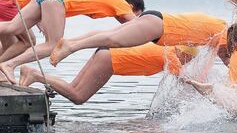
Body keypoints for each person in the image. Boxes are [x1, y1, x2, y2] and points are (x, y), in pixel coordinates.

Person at [0, 0, 145, 83]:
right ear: (131, 7)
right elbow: (137, 26)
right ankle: (9, 64)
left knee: (13, 27)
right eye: (134, 14)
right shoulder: (121, 4)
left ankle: (8, 64)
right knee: (52, 45)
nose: (123, 22)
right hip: (55, 0)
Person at [19, 43, 198, 104]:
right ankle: (35, 74)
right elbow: (186, 81)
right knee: (78, 96)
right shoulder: (172, 56)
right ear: (184, 53)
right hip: (110, 59)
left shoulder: (166, 50)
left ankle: (32, 74)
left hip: (106, 53)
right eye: (189, 59)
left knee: (72, 89)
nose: (188, 62)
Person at [48, 11, 229, 68]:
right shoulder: (224, 34)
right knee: (114, 39)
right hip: (158, 27)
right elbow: (222, 56)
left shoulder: (219, 25)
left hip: (156, 19)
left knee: (112, 33)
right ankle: (72, 47)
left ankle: (71, 41)